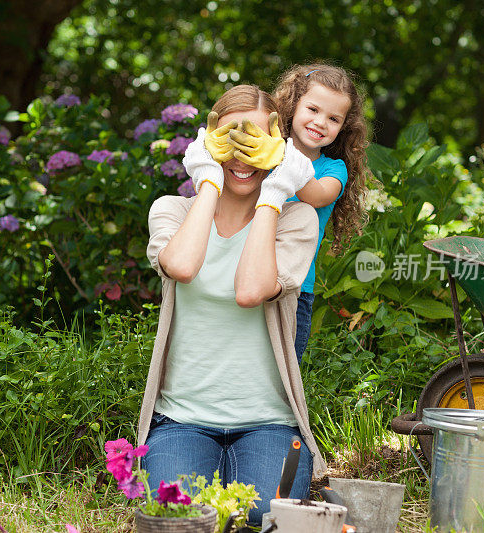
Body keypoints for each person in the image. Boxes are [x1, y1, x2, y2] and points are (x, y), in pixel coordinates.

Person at [137, 84, 327, 525]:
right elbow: (182, 266)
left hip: (269, 422)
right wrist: (208, 179)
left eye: (257, 140)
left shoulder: (296, 220)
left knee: (263, 517)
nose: (242, 155)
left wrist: (275, 192)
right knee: (178, 517)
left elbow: (250, 290)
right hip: (182, 420)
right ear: (206, 143)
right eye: (229, 140)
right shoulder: (172, 211)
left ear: (280, 148)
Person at [232, 63, 370, 362]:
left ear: (343, 126)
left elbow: (318, 196)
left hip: (294, 287)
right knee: (238, 360)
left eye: (333, 118)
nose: (321, 122)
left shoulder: (332, 170)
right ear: (293, 106)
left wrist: (282, 155)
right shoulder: (265, 153)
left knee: (280, 369)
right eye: (313, 109)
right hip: (242, 271)